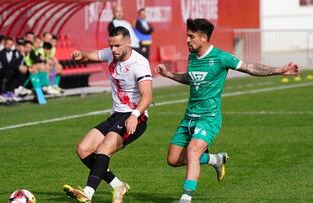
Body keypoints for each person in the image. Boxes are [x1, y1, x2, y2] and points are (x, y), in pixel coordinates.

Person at [156, 18, 299, 203]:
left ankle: (186, 198)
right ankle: (215, 159)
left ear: (204, 37)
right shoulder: (192, 56)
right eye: (187, 36)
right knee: (173, 159)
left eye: (191, 36)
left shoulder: (221, 57)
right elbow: (192, 78)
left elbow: (249, 67)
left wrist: (278, 70)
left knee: (193, 151)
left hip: (209, 117)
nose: (187, 40)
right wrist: (169, 74)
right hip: (189, 117)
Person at [63, 26, 153, 203]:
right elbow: (92, 56)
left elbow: (148, 96)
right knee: (83, 149)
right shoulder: (111, 54)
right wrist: (81, 55)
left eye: (117, 46)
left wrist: (135, 115)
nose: (113, 50)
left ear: (129, 43)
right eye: (111, 46)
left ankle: (88, 193)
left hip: (135, 117)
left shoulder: (139, 63)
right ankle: (118, 185)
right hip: (116, 115)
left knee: (103, 149)